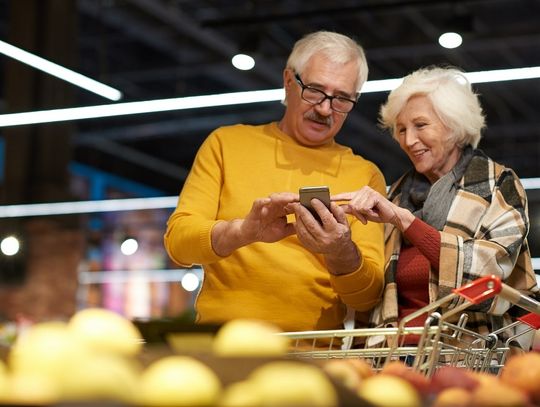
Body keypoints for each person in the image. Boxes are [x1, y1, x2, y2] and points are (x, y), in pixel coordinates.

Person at [164, 31, 386, 333]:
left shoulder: (365, 176)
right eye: (315, 90)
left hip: (314, 356)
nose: (324, 108)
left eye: (341, 99)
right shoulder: (226, 145)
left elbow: (367, 297)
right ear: (288, 81)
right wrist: (242, 232)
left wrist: (339, 250)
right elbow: (179, 244)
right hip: (223, 348)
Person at [333, 66, 539, 347]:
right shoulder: (395, 195)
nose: (408, 140)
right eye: (401, 129)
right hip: (395, 364)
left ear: (454, 126)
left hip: (474, 360)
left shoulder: (497, 184)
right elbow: (375, 299)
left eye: (420, 125)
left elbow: (486, 279)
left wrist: (408, 223)